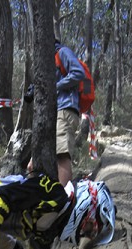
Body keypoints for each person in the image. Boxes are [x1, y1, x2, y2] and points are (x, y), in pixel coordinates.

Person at [54, 41, 86, 186]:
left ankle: (64, 199)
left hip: (66, 109)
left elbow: (78, 73)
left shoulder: (62, 52)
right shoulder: (47, 60)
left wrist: (55, 86)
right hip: (55, 111)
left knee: (62, 154)